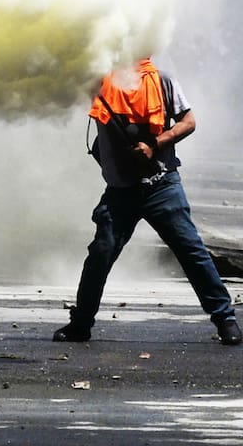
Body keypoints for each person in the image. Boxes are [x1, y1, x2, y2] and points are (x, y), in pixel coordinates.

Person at [53, 58, 241, 346]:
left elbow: (188, 122)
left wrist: (155, 144)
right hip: (120, 192)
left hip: (162, 186)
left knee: (192, 251)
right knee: (100, 255)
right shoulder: (99, 79)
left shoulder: (162, 79)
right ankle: (80, 324)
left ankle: (225, 319)